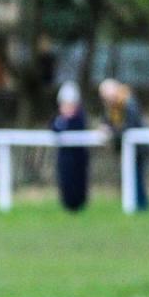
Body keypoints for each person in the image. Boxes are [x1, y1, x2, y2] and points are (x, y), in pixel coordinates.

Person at [99, 78, 149, 211]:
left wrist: (112, 132)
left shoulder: (128, 102)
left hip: (138, 147)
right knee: (132, 177)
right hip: (126, 147)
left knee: (137, 177)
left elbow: (130, 126)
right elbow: (108, 120)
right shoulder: (113, 106)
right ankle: (138, 205)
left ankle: (141, 206)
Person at [51, 81, 89, 212]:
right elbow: (54, 129)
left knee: (77, 181)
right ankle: (67, 204)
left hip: (77, 157)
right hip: (65, 157)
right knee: (65, 181)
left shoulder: (79, 118)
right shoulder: (59, 119)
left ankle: (78, 205)